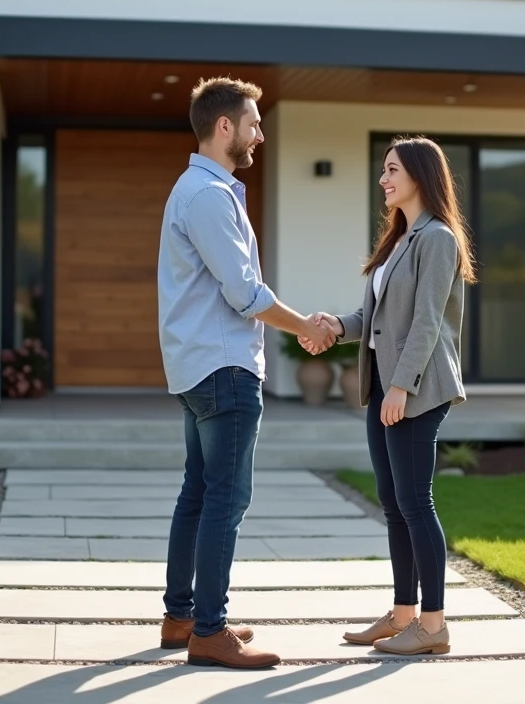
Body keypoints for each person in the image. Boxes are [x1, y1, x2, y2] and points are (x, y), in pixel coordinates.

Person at [156, 76, 336, 670]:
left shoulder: (204, 190)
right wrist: (305, 327)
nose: (261, 132)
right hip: (223, 366)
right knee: (225, 498)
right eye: (254, 122)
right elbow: (244, 294)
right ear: (224, 126)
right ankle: (209, 629)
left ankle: (183, 615)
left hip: (199, 365)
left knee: (198, 493)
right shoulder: (207, 196)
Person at [303, 135, 476, 656]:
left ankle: (433, 625)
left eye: (392, 169)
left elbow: (426, 323)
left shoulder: (437, 238)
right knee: (394, 504)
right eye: (383, 170)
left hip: (416, 387)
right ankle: (404, 614)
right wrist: (336, 323)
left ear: (420, 175)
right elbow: (378, 319)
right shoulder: (400, 239)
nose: (384, 179)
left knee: (415, 502)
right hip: (385, 384)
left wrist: (400, 386)